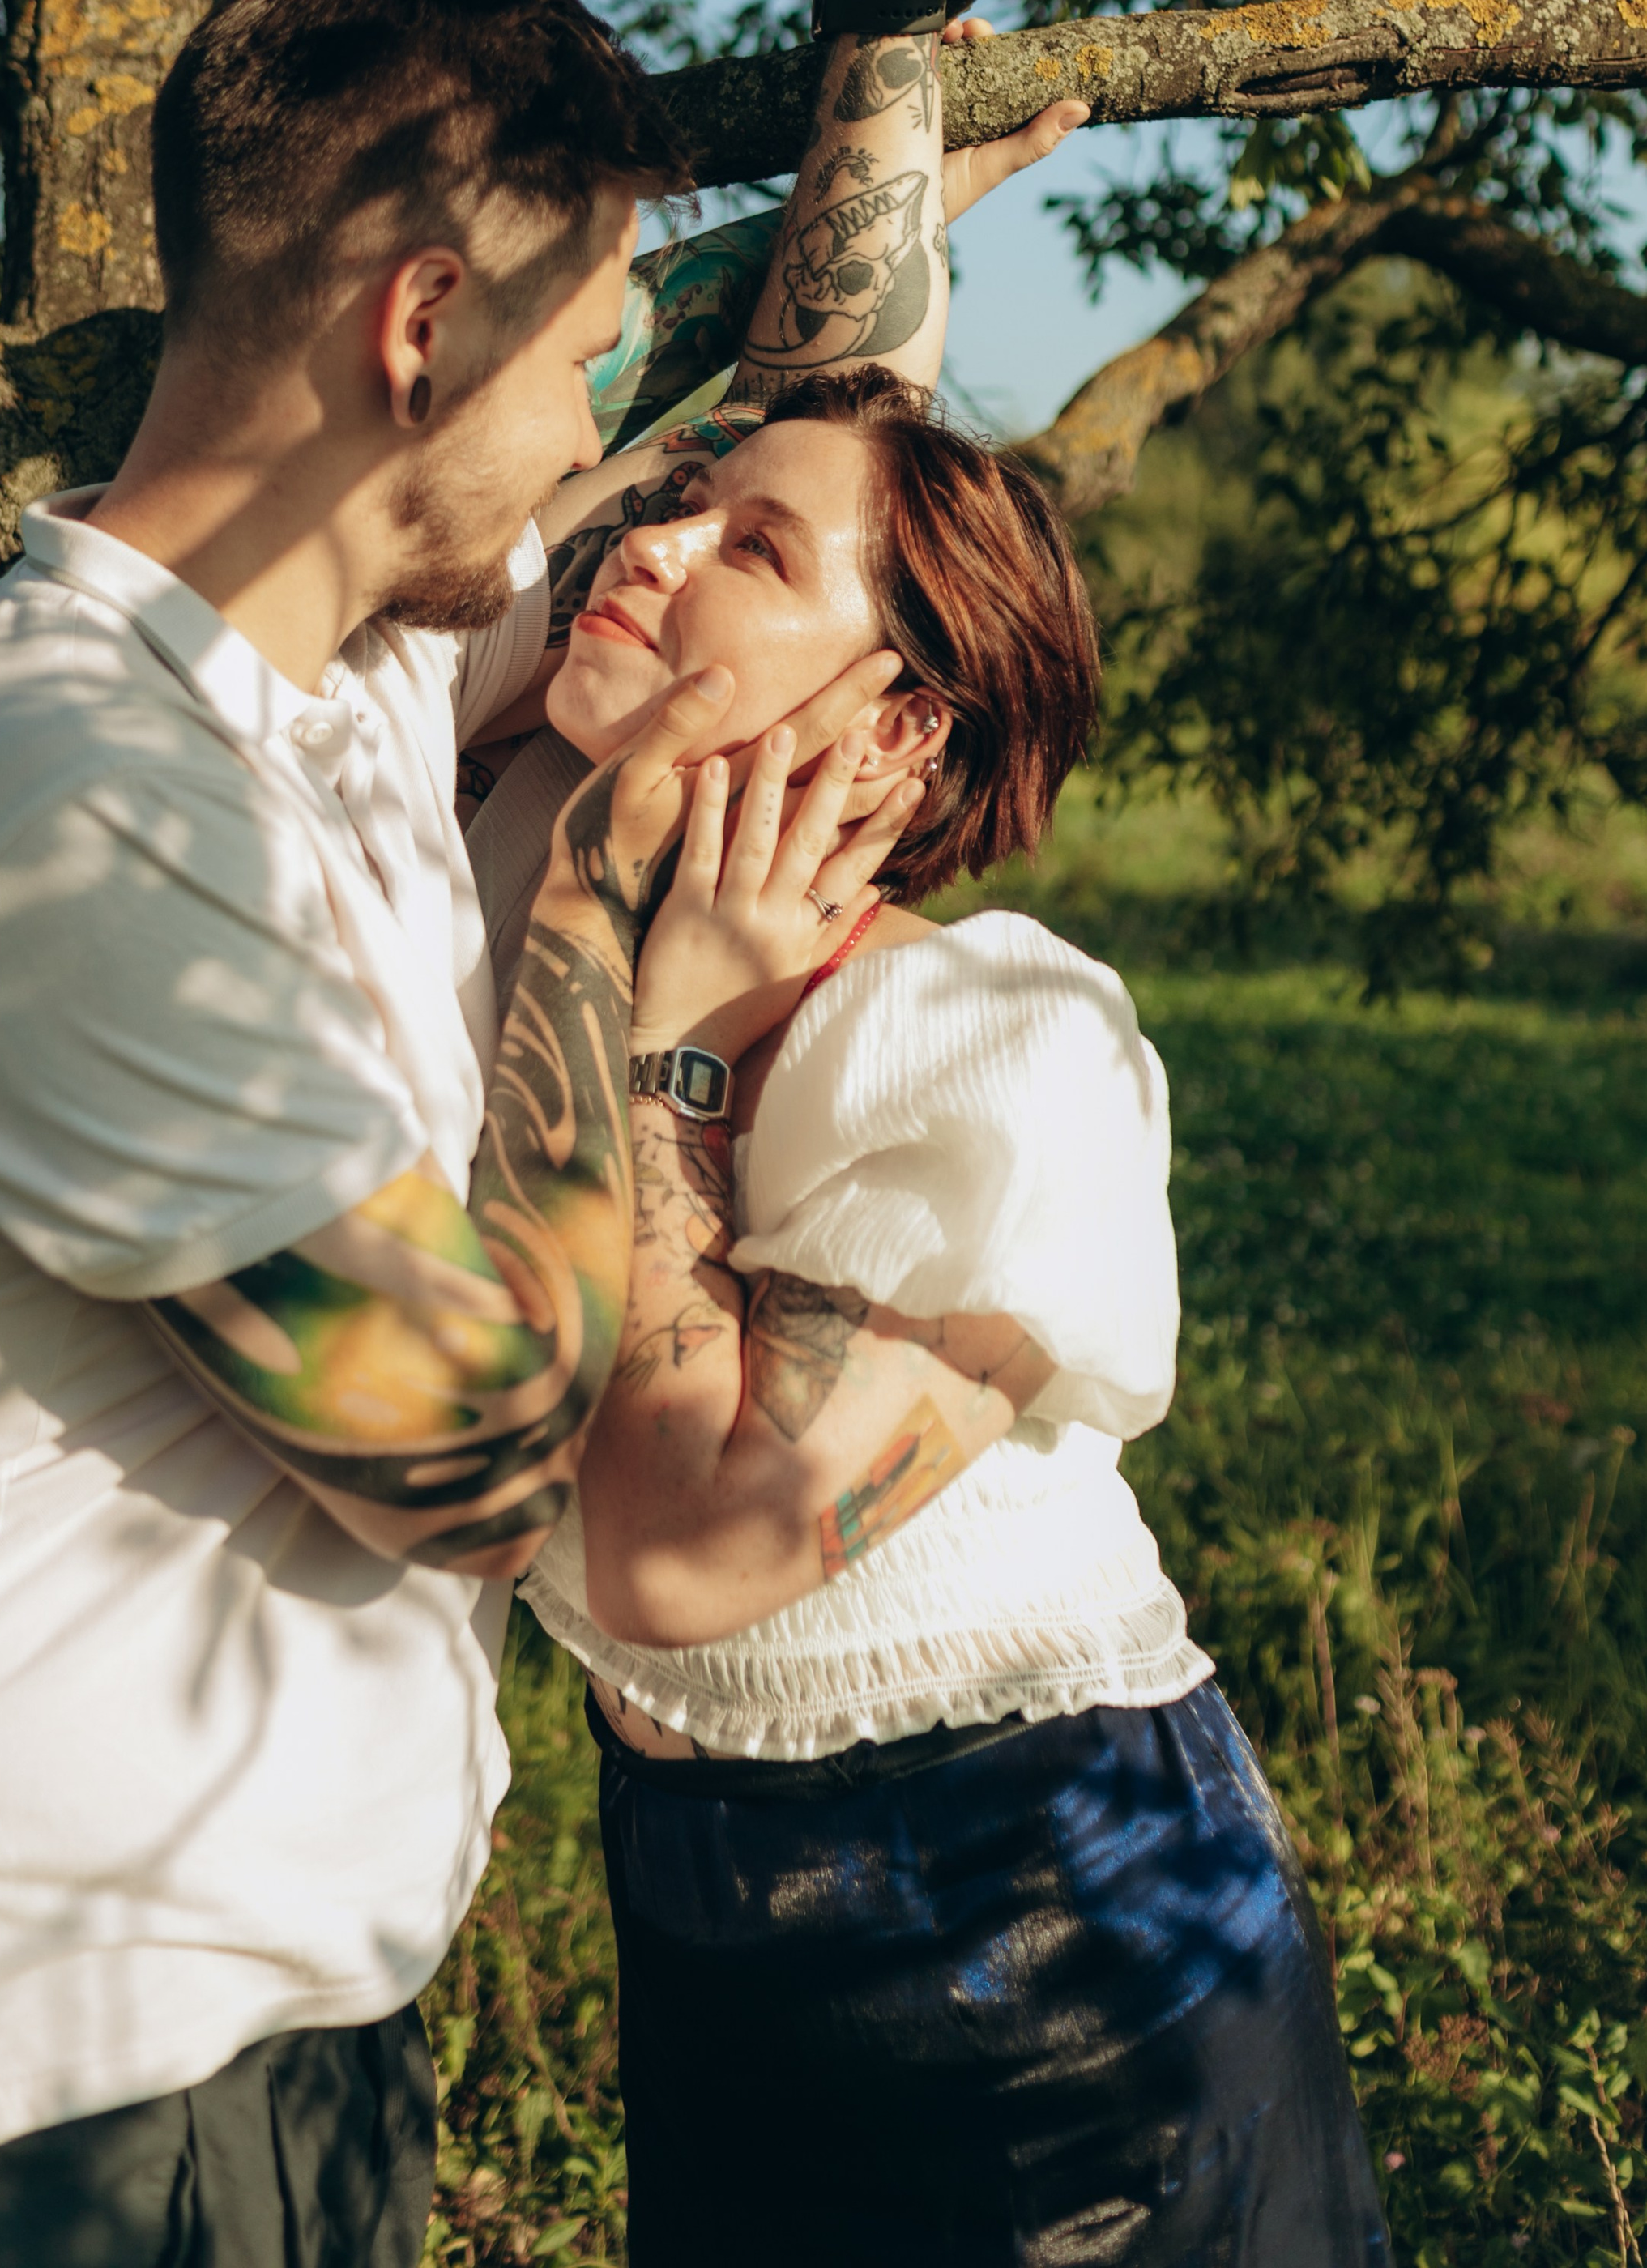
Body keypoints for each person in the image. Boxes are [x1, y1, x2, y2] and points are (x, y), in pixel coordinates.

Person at [0, 0, 1167, 2264]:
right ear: (420, 332)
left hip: (264, 2053)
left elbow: (807, 435)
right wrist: (609, 924)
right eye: (587, 358)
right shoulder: (66, 809)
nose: (616, 440)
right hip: (12, 2109)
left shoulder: (349, 670)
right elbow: (476, 1460)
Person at [514, 368, 1393, 2266]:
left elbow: (677, 1556)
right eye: (675, 506)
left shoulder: (991, 1041)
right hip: (693, 1910)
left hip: (1048, 1960)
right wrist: (888, 113)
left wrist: (681, 1045)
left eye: (748, 546)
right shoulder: (533, 929)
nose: (643, 548)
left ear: (899, 724)